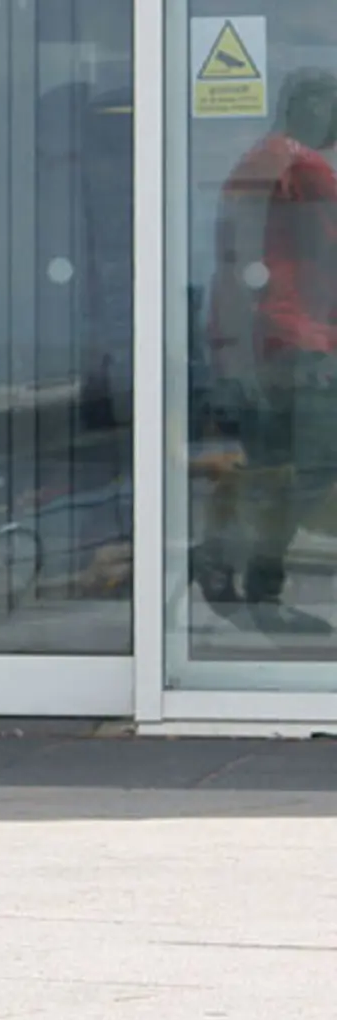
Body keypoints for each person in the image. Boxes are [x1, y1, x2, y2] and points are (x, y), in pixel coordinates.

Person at [196, 67, 337, 639]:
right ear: (309, 105)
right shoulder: (301, 166)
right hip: (296, 341)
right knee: (304, 470)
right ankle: (256, 582)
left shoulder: (256, 161)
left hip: (265, 339)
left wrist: (228, 350)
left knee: (278, 467)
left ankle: (220, 557)